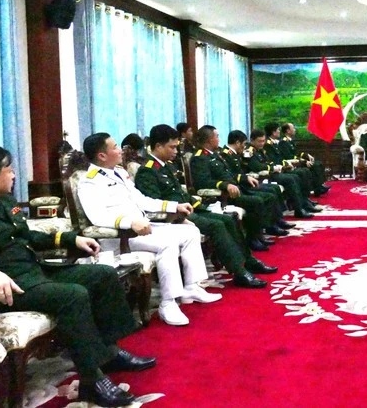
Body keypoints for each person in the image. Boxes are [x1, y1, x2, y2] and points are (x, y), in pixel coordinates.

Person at [0, 144, 155, 407]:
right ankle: (92, 379)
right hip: (9, 287)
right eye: (9, 169)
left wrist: (70, 238)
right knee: (73, 296)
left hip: (35, 272)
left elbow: (27, 236)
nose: (14, 174)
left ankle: (109, 352)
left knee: (103, 275)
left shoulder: (3, 200)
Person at [78, 133, 219, 327]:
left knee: (190, 232)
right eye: (115, 147)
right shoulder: (89, 181)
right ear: (102, 155)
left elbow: (141, 199)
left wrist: (172, 206)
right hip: (121, 238)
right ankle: (168, 303)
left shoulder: (118, 172)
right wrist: (129, 223)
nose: (120, 150)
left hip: (142, 228)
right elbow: (97, 217)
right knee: (167, 244)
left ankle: (191, 288)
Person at [134, 124, 276, 288]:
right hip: (174, 218)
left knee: (228, 220)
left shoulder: (165, 165)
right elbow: (154, 202)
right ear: (158, 146)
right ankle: (239, 272)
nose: (176, 151)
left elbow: (181, 193)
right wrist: (180, 209)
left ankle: (248, 260)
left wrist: (196, 203)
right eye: (172, 147)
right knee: (216, 225)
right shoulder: (148, 171)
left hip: (190, 209)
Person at [190, 126, 278, 252]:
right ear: (209, 140)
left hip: (235, 189)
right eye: (217, 136)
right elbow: (202, 182)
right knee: (256, 201)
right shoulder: (200, 158)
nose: (219, 139)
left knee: (264, 196)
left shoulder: (214, 154)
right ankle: (252, 239)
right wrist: (224, 185)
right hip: (223, 196)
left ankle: (258, 236)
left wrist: (244, 178)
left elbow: (228, 174)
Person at [246, 129, 320, 218]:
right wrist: (274, 168)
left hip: (271, 173)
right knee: (290, 179)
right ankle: (298, 209)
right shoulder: (249, 152)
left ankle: (302, 204)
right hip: (262, 176)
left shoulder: (260, 150)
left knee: (295, 177)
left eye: (263, 141)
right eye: (259, 141)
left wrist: (278, 167)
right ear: (252, 140)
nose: (262, 143)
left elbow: (268, 161)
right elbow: (256, 166)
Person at [265, 122, 317, 199]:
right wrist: (287, 163)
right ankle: (302, 202)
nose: (279, 131)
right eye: (278, 130)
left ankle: (306, 200)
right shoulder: (269, 144)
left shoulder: (275, 143)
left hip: (284, 166)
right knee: (299, 174)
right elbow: (276, 160)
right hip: (277, 170)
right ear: (273, 132)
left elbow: (289, 155)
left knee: (304, 171)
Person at [278, 123, 330, 195]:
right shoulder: (283, 142)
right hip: (293, 163)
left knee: (318, 163)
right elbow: (289, 156)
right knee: (314, 166)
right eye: (293, 128)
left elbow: (296, 153)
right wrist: (303, 160)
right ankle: (317, 188)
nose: (294, 130)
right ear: (288, 131)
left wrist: (306, 155)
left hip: (298, 160)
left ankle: (319, 185)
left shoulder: (290, 141)